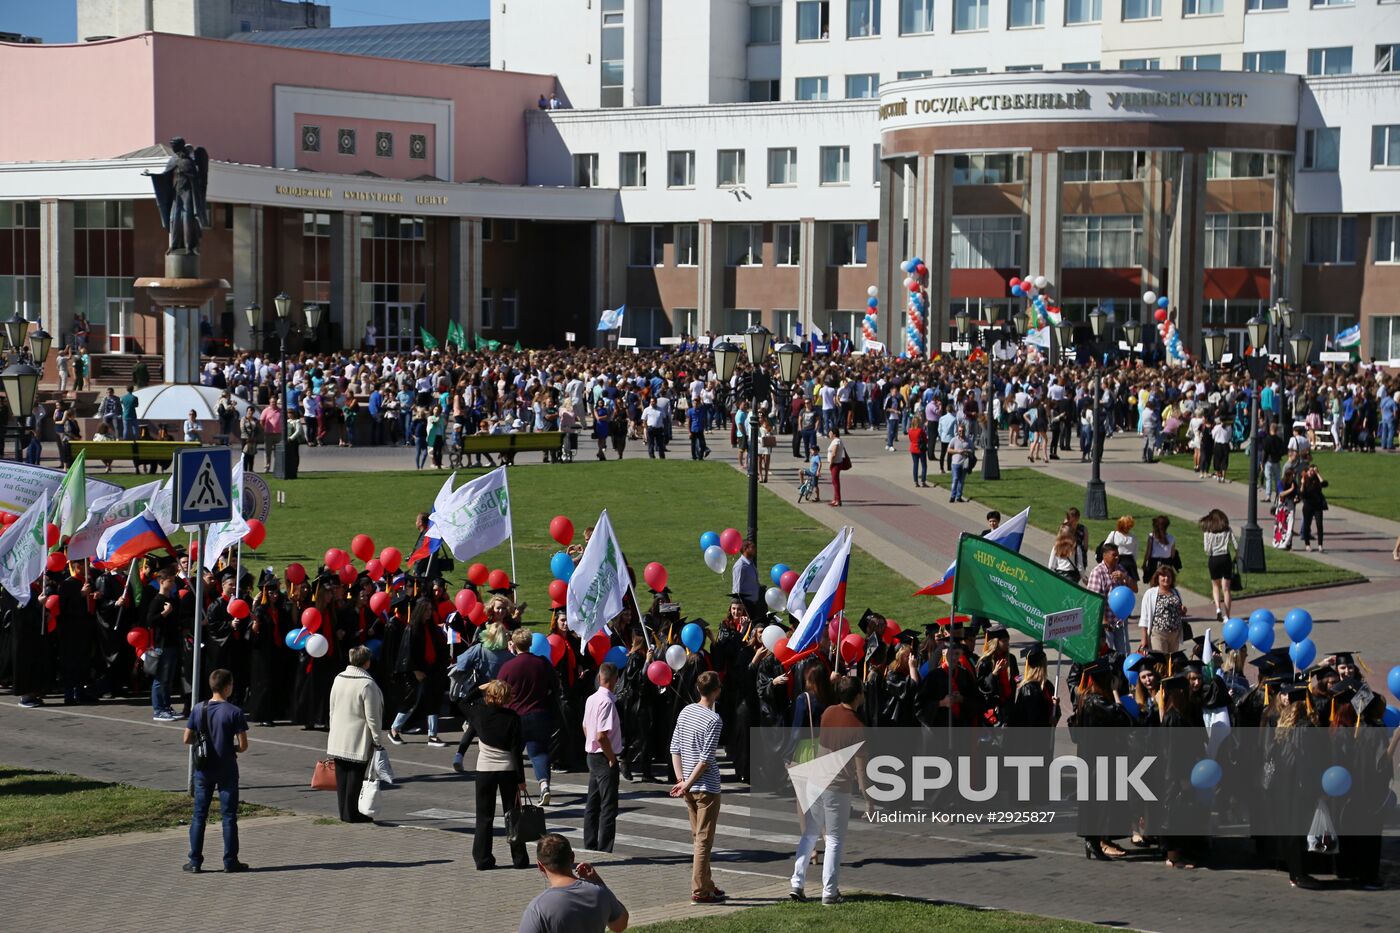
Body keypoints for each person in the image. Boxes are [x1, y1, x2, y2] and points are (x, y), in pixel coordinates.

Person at [789, 675, 869, 906]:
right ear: (857, 696)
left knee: (810, 833)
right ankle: (830, 892)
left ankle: (797, 882)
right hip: (837, 787)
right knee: (834, 839)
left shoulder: (828, 713)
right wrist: (868, 798)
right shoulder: (857, 726)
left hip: (817, 779)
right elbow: (861, 770)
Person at [183, 668, 250, 873]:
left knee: (199, 815)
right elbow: (244, 745)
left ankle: (195, 861)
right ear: (228, 687)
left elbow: (186, 738)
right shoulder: (234, 712)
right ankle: (230, 861)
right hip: (227, 768)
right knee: (229, 816)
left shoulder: (198, 709)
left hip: (203, 769)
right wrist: (233, 748)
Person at [669, 670, 725, 904]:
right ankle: (700, 891)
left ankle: (707, 884)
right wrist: (687, 783)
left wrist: (681, 780)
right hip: (706, 788)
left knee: (698, 837)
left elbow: (675, 747)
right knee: (704, 840)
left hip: (689, 787)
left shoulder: (686, 711)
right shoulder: (714, 720)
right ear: (715, 691)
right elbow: (705, 759)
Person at [464, 679, 531, 870]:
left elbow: (462, 702)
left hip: (485, 770)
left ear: (489, 695)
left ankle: (483, 859)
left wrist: (479, 688)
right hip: (508, 770)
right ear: (507, 698)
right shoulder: (513, 717)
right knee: (513, 815)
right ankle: (519, 859)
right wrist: (521, 780)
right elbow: (516, 751)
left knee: (484, 816)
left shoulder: (479, 713)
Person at [519, 834, 629, 933]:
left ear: (539, 865)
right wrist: (599, 883)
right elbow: (620, 925)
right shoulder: (600, 892)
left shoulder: (537, 908)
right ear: (572, 857)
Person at [499, 627, 560, 805]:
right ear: (530, 643)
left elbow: (500, 691)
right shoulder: (542, 663)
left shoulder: (508, 666)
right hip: (539, 713)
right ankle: (544, 786)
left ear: (513, 644)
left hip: (515, 716)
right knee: (539, 753)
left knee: (514, 755)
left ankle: (517, 788)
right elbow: (555, 685)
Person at [326, 645, 385, 824]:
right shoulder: (367, 684)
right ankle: (352, 813)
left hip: (338, 735)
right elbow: (372, 717)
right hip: (358, 737)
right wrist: (377, 739)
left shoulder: (339, 678)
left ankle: (343, 811)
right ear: (367, 662)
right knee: (355, 777)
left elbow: (332, 707)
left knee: (342, 776)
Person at [582, 662, 623, 853]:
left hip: (592, 754)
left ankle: (589, 843)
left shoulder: (591, 699)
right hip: (603, 756)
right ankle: (604, 848)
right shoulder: (607, 702)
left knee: (593, 803)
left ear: (599, 678)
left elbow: (586, 727)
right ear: (615, 679)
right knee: (608, 806)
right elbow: (601, 735)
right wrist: (612, 758)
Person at [1084, 542, 1136, 655]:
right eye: (1114, 555)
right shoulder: (1098, 573)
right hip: (1106, 625)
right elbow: (1094, 600)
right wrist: (1104, 621)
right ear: (1105, 555)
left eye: (1118, 555)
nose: (1117, 558)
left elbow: (1135, 588)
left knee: (1124, 654)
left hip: (1120, 622)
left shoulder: (1120, 569)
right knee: (1107, 655)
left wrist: (1125, 578)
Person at [1137, 564, 1187, 654]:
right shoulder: (1150, 593)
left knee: (1171, 663)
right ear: (1157, 578)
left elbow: (1179, 611)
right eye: (1163, 576)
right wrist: (1144, 639)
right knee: (1160, 662)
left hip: (1174, 635)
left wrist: (1182, 611)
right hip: (1158, 634)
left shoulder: (1175, 592)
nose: (1166, 578)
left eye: (1168, 576)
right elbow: (1144, 618)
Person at [1199, 508, 1238, 620]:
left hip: (1214, 559)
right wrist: (1236, 556)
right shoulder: (1228, 530)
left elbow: (1207, 550)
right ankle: (1227, 616)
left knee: (1215, 585)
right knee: (1226, 589)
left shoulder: (1208, 532)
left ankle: (1218, 608)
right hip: (1226, 557)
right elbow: (1236, 546)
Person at [1298, 463, 1328, 553]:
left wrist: (1318, 474)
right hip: (1308, 506)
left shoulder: (1317, 479)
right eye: (1310, 470)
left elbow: (1325, 484)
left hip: (1318, 506)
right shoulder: (1304, 479)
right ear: (1307, 471)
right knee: (1307, 525)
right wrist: (1302, 484)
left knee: (1319, 525)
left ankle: (1320, 545)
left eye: (1313, 470)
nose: (1311, 472)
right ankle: (1307, 544)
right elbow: (1302, 494)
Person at [731, 539, 762, 623]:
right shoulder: (740, 566)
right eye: (752, 547)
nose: (755, 550)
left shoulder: (750, 563)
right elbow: (736, 589)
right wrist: (740, 609)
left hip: (754, 604)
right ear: (745, 549)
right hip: (746, 606)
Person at [947, 422, 970, 503]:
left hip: (964, 463)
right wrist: (957, 451)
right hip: (955, 463)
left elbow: (972, 450)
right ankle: (952, 496)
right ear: (957, 431)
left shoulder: (968, 440)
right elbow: (949, 450)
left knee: (961, 480)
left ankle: (959, 496)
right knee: (955, 479)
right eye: (960, 431)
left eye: (963, 431)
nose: (961, 432)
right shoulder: (954, 439)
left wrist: (966, 451)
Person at [827, 427, 848, 507]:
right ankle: (835, 499)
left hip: (835, 464)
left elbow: (834, 453)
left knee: (835, 482)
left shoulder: (836, 441)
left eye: (830, 432)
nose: (829, 434)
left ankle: (838, 500)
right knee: (834, 482)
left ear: (834, 434)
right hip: (836, 463)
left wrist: (831, 463)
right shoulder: (836, 441)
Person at [908, 414, 928, 488]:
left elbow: (910, 439)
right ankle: (923, 481)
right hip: (920, 449)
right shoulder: (920, 430)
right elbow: (925, 439)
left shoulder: (910, 430)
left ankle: (915, 481)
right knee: (924, 465)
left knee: (915, 465)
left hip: (913, 448)